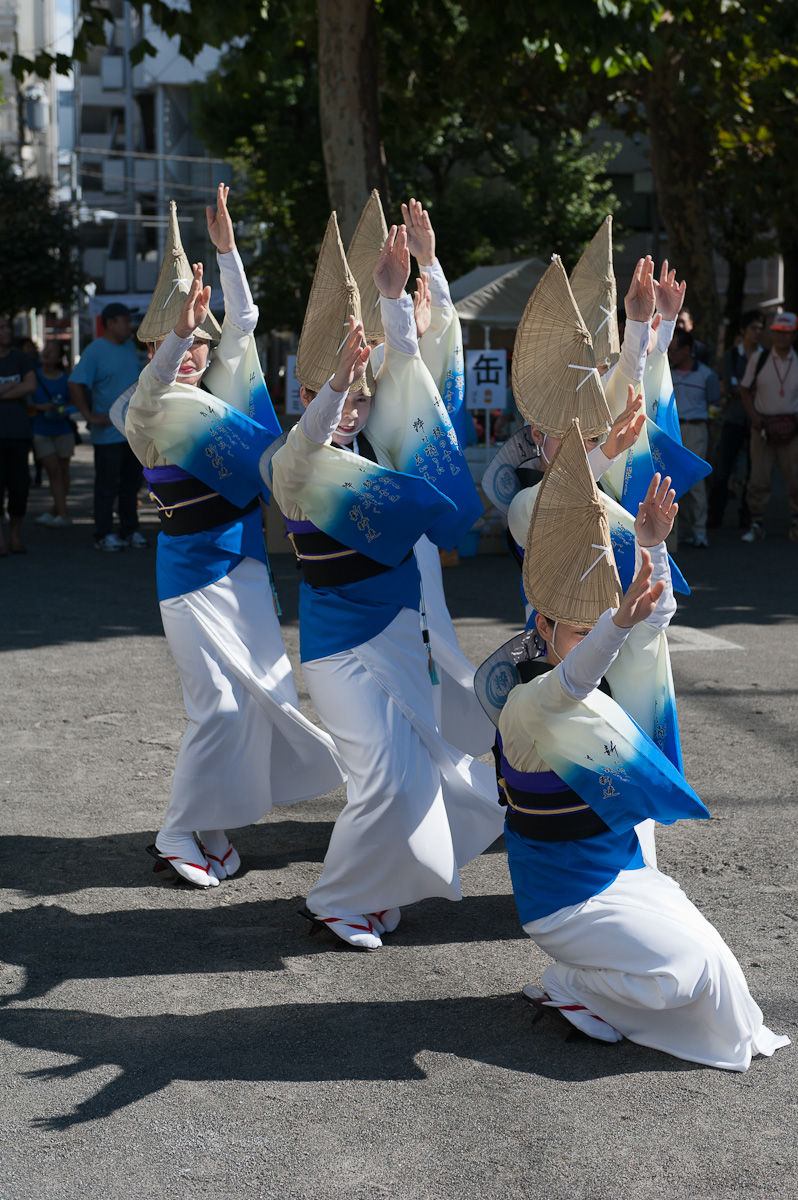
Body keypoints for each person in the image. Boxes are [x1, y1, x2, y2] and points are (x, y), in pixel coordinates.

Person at [489, 423, 789, 1071]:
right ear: (541, 627)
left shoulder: (598, 694)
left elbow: (650, 622)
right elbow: (577, 674)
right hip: (566, 907)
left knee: (718, 976)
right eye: (579, 629)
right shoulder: (531, 702)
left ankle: (600, 983)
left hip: (622, 875)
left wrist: (650, 547)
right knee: (677, 976)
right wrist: (614, 624)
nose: (598, 637)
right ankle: (571, 984)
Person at [267, 219, 504, 949]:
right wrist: (336, 382)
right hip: (339, 650)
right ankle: (337, 899)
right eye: (331, 393)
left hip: (402, 634)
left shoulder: (382, 449)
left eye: (360, 399)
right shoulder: (293, 463)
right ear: (303, 393)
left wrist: (403, 295)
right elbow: (311, 437)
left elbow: (413, 375)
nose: (350, 407)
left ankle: (366, 891)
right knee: (383, 780)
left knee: (409, 780)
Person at [125, 186, 345, 887]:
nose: (185, 353)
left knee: (255, 703)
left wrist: (225, 251)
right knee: (214, 705)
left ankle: (209, 823)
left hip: (246, 571)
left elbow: (244, 318)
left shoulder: (219, 392)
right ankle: (174, 830)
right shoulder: (145, 409)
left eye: (193, 342)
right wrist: (184, 331)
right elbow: (158, 387)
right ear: (153, 347)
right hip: (190, 580)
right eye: (168, 343)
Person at [69, 302, 147, 552]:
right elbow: (75, 382)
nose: (130, 325)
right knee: (107, 486)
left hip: (132, 433)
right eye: (125, 320)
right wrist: (89, 416)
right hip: (108, 433)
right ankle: (103, 534)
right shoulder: (95, 351)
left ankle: (130, 530)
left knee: (131, 486)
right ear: (110, 323)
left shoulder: (128, 348)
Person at [739, 311, 798, 543]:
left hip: (793, 430)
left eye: (786, 333)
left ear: (794, 335)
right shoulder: (759, 359)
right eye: (776, 332)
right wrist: (754, 416)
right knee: (759, 478)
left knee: (795, 478)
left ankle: (795, 525)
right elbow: (744, 389)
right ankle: (756, 524)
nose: (781, 337)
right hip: (762, 428)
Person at [707, 310, 764, 530]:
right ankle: (715, 513)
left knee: (754, 470)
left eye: (761, 328)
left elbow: (754, 387)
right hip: (733, 419)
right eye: (753, 328)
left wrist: (743, 386)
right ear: (744, 330)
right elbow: (729, 386)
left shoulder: (764, 356)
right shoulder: (731, 355)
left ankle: (748, 514)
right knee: (723, 468)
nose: (758, 333)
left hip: (756, 421)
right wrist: (748, 388)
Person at [667, 327, 720, 547]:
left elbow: (716, 405)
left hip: (696, 430)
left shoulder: (707, 374)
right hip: (671, 431)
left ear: (688, 349)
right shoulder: (665, 373)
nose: (670, 355)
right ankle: (678, 533)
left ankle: (699, 532)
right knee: (671, 483)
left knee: (695, 482)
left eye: (674, 350)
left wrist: (706, 420)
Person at [0, 315, 36, 555]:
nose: (6, 331)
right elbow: (22, 385)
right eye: (1, 327)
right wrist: (15, 385)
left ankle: (14, 536)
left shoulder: (21, 358)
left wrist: (3, 391)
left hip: (18, 434)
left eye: (7, 327)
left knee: (19, 488)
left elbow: (30, 385)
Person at [32, 340, 76, 528]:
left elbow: (74, 404)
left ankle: (55, 511)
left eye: (52, 351)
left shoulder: (65, 379)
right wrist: (41, 407)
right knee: (54, 472)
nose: (47, 353)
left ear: (59, 358)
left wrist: (61, 411)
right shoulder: (32, 375)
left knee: (63, 472)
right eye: (45, 350)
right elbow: (25, 403)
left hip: (63, 430)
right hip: (40, 430)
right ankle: (64, 514)